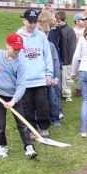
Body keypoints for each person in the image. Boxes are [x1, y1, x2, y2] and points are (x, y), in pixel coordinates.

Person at [0, 33, 37, 159]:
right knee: (0, 124)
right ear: (7, 45)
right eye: (15, 48)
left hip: (14, 97)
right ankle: (1, 146)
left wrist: (14, 100)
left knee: (22, 123)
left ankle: (28, 147)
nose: (18, 51)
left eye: (19, 48)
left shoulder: (20, 64)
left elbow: (21, 85)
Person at [17, 9, 53, 139]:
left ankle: (43, 128)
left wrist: (49, 74)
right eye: (30, 22)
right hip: (25, 80)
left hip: (40, 79)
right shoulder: (18, 36)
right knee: (28, 107)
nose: (32, 25)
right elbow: (15, 58)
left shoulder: (41, 36)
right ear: (24, 21)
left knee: (42, 105)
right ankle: (32, 129)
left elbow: (47, 56)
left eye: (35, 22)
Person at [37, 22, 61, 126]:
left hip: (50, 78)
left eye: (47, 34)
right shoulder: (35, 46)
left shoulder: (51, 46)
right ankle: (39, 120)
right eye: (43, 33)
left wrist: (55, 77)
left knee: (53, 98)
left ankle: (55, 119)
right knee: (39, 101)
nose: (45, 36)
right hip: (38, 78)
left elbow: (55, 61)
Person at [56, 10, 77, 102]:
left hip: (66, 58)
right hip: (58, 58)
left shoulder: (70, 30)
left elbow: (73, 46)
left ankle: (67, 94)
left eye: (59, 21)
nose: (57, 23)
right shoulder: (56, 30)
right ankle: (60, 92)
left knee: (66, 77)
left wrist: (71, 59)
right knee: (59, 77)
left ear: (62, 20)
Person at [73, 13, 87, 97]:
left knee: (84, 72)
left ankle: (84, 88)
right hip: (76, 54)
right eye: (82, 20)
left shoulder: (86, 30)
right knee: (76, 72)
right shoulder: (72, 30)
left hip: (85, 55)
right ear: (77, 21)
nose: (84, 21)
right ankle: (78, 88)